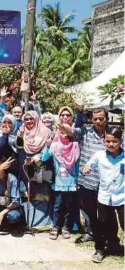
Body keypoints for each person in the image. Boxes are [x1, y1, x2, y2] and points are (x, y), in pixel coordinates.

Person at [82, 127, 124, 263]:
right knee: (103, 225)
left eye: (114, 141)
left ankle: (114, 245)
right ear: (103, 141)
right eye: (108, 141)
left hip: (122, 197)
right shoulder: (99, 155)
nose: (111, 144)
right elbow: (87, 165)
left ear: (120, 141)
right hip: (104, 197)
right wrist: (86, 168)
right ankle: (100, 249)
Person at [73, 103, 109, 243]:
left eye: (101, 118)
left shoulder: (113, 134)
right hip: (87, 179)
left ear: (106, 118)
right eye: (95, 119)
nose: (98, 121)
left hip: (106, 181)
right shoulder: (85, 132)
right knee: (88, 209)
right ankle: (91, 232)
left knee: (106, 211)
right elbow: (75, 129)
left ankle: (106, 235)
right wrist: (80, 112)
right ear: (92, 120)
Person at [42, 106, 80, 240]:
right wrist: (47, 146)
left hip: (72, 182)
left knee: (70, 206)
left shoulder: (76, 145)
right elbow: (44, 158)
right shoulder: (55, 145)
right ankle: (55, 226)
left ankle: (65, 227)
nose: (64, 134)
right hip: (59, 182)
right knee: (58, 205)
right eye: (61, 132)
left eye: (67, 132)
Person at [0, 155, 22, 229]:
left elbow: (16, 202)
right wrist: (0, 168)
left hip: (10, 208)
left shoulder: (12, 179)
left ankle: (11, 226)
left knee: (13, 216)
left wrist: (2, 213)